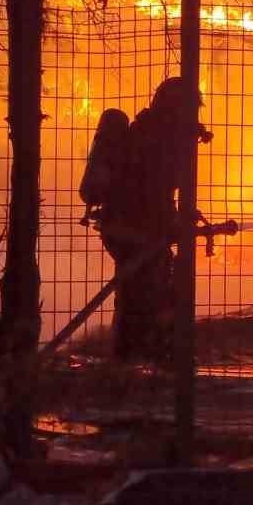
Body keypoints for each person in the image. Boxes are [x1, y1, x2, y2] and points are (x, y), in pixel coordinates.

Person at [94, 78, 212, 362]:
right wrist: (171, 221)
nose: (194, 117)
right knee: (146, 289)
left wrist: (180, 217)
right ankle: (142, 357)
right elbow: (147, 192)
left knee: (138, 289)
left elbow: (159, 193)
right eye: (190, 109)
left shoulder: (153, 135)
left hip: (130, 228)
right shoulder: (155, 141)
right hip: (131, 230)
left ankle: (133, 356)